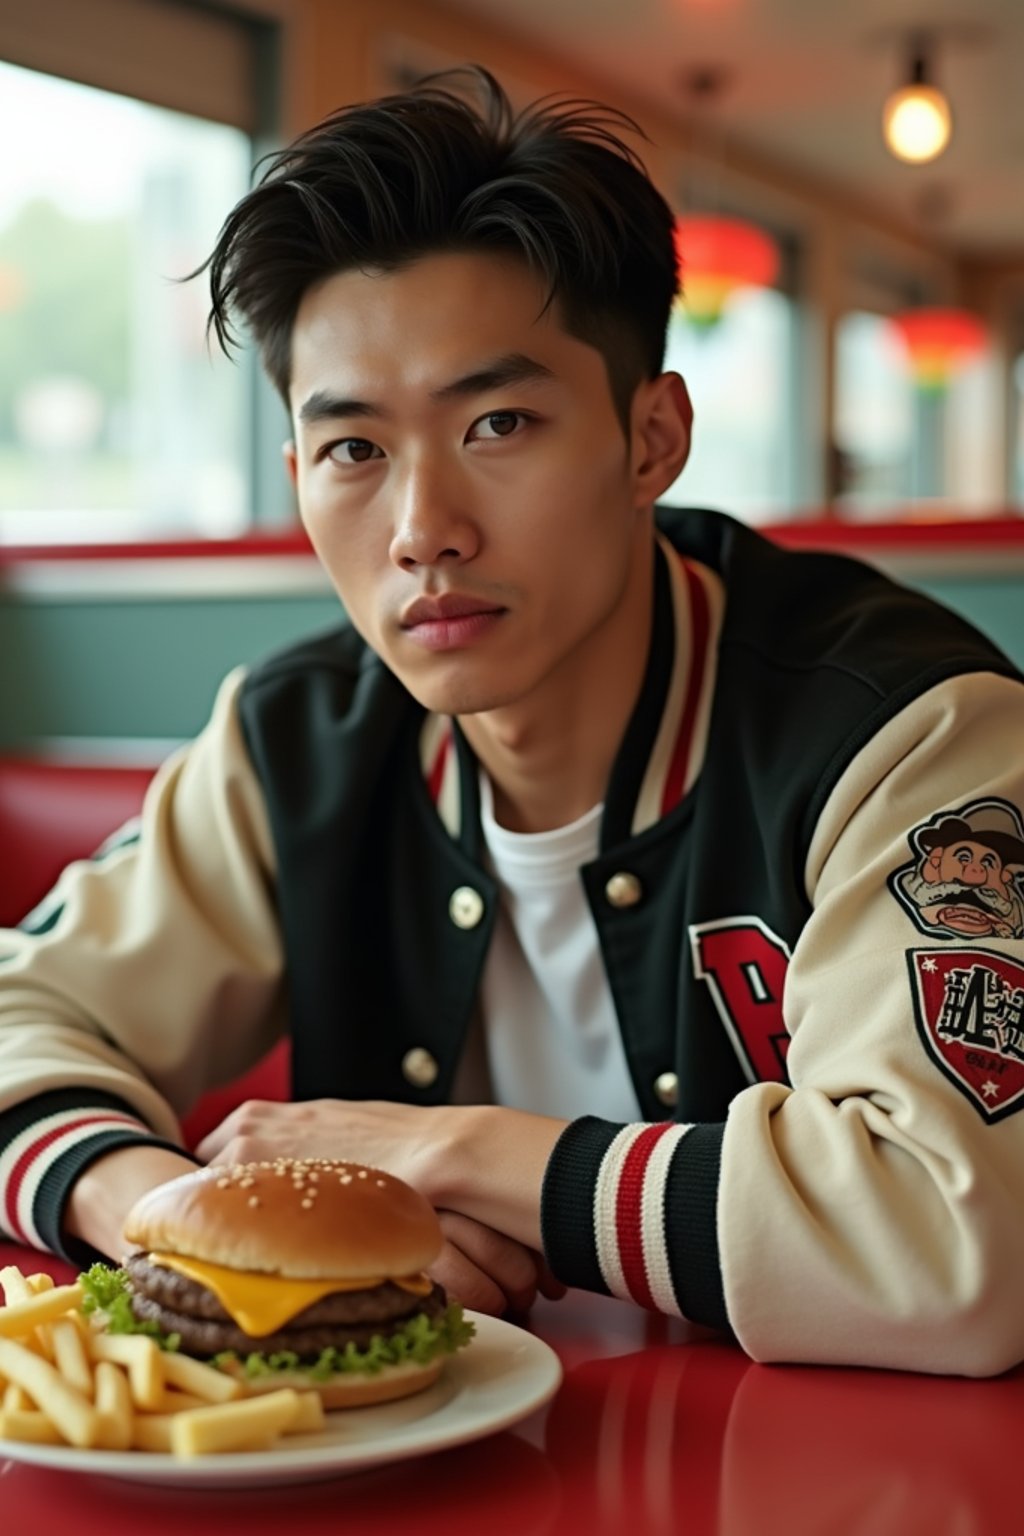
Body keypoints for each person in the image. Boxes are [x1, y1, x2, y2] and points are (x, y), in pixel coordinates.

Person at [2, 67, 1024, 1375]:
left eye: (498, 422)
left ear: (651, 437)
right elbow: (21, 1012)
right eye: (355, 450)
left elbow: (958, 1244)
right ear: (298, 477)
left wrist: (450, 1153)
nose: (424, 530)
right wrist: (167, 1211)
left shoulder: (910, 737)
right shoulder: (298, 742)